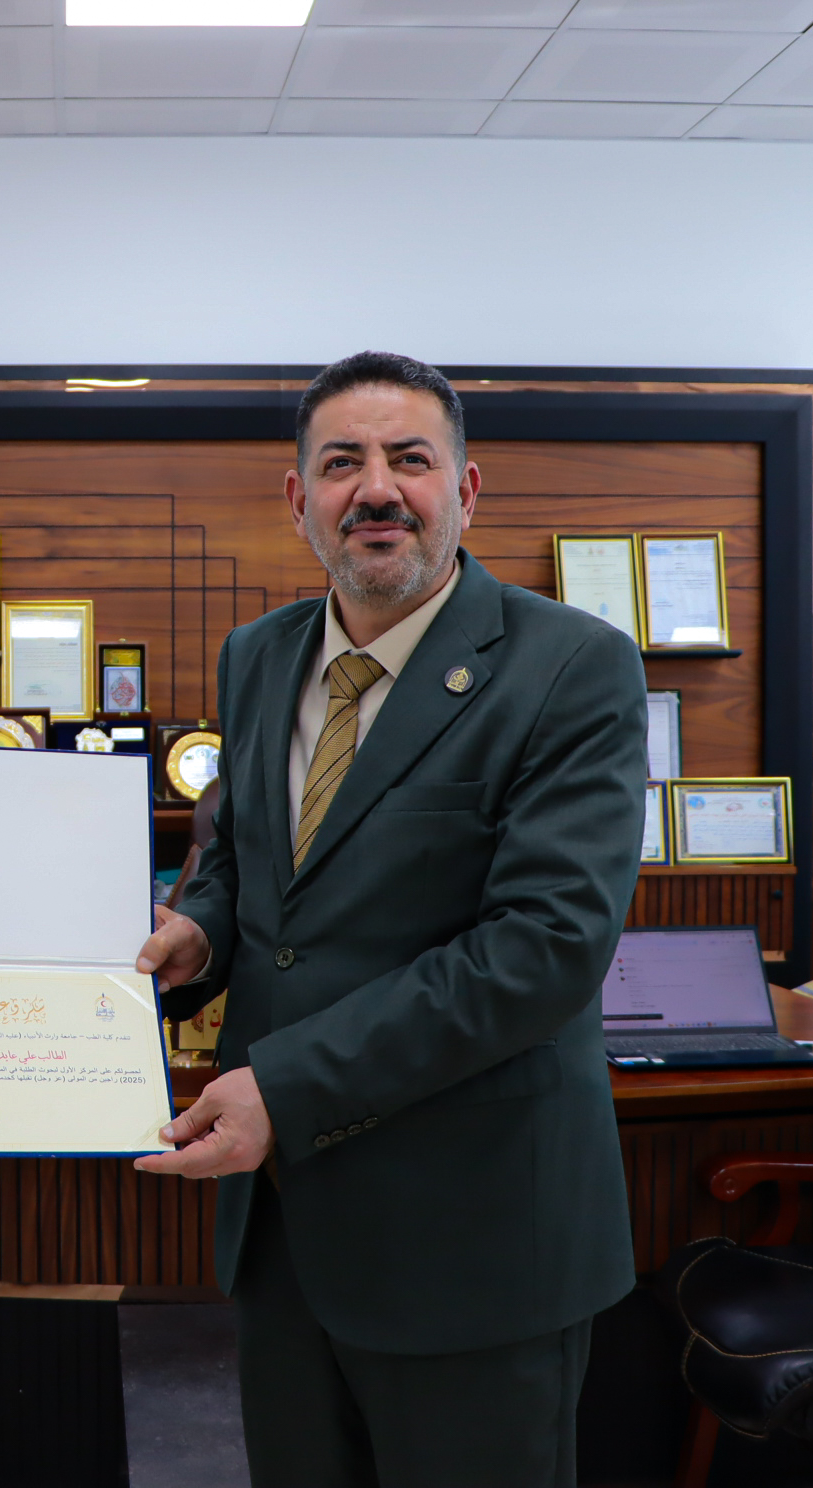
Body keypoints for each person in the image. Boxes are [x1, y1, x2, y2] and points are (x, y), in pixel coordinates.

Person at [133, 351, 645, 1487]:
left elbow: (545, 949)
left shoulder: (572, 667)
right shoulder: (258, 655)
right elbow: (248, 856)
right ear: (298, 498)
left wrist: (285, 1086)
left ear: (465, 490)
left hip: (476, 1242)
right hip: (285, 1235)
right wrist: (199, 931)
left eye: (409, 459)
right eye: (341, 464)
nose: (376, 489)